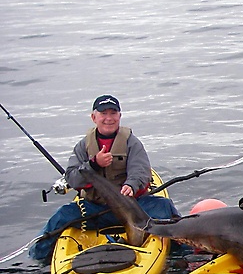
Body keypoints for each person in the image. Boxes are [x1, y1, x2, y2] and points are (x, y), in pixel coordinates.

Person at [29, 95, 180, 260]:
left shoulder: (132, 143)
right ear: (94, 118)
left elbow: (141, 171)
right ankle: (36, 258)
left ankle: (184, 253)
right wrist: (94, 164)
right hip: (96, 209)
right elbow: (72, 178)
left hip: (134, 207)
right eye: (103, 113)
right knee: (61, 216)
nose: (109, 118)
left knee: (165, 207)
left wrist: (131, 185)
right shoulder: (82, 146)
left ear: (119, 116)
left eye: (113, 113)